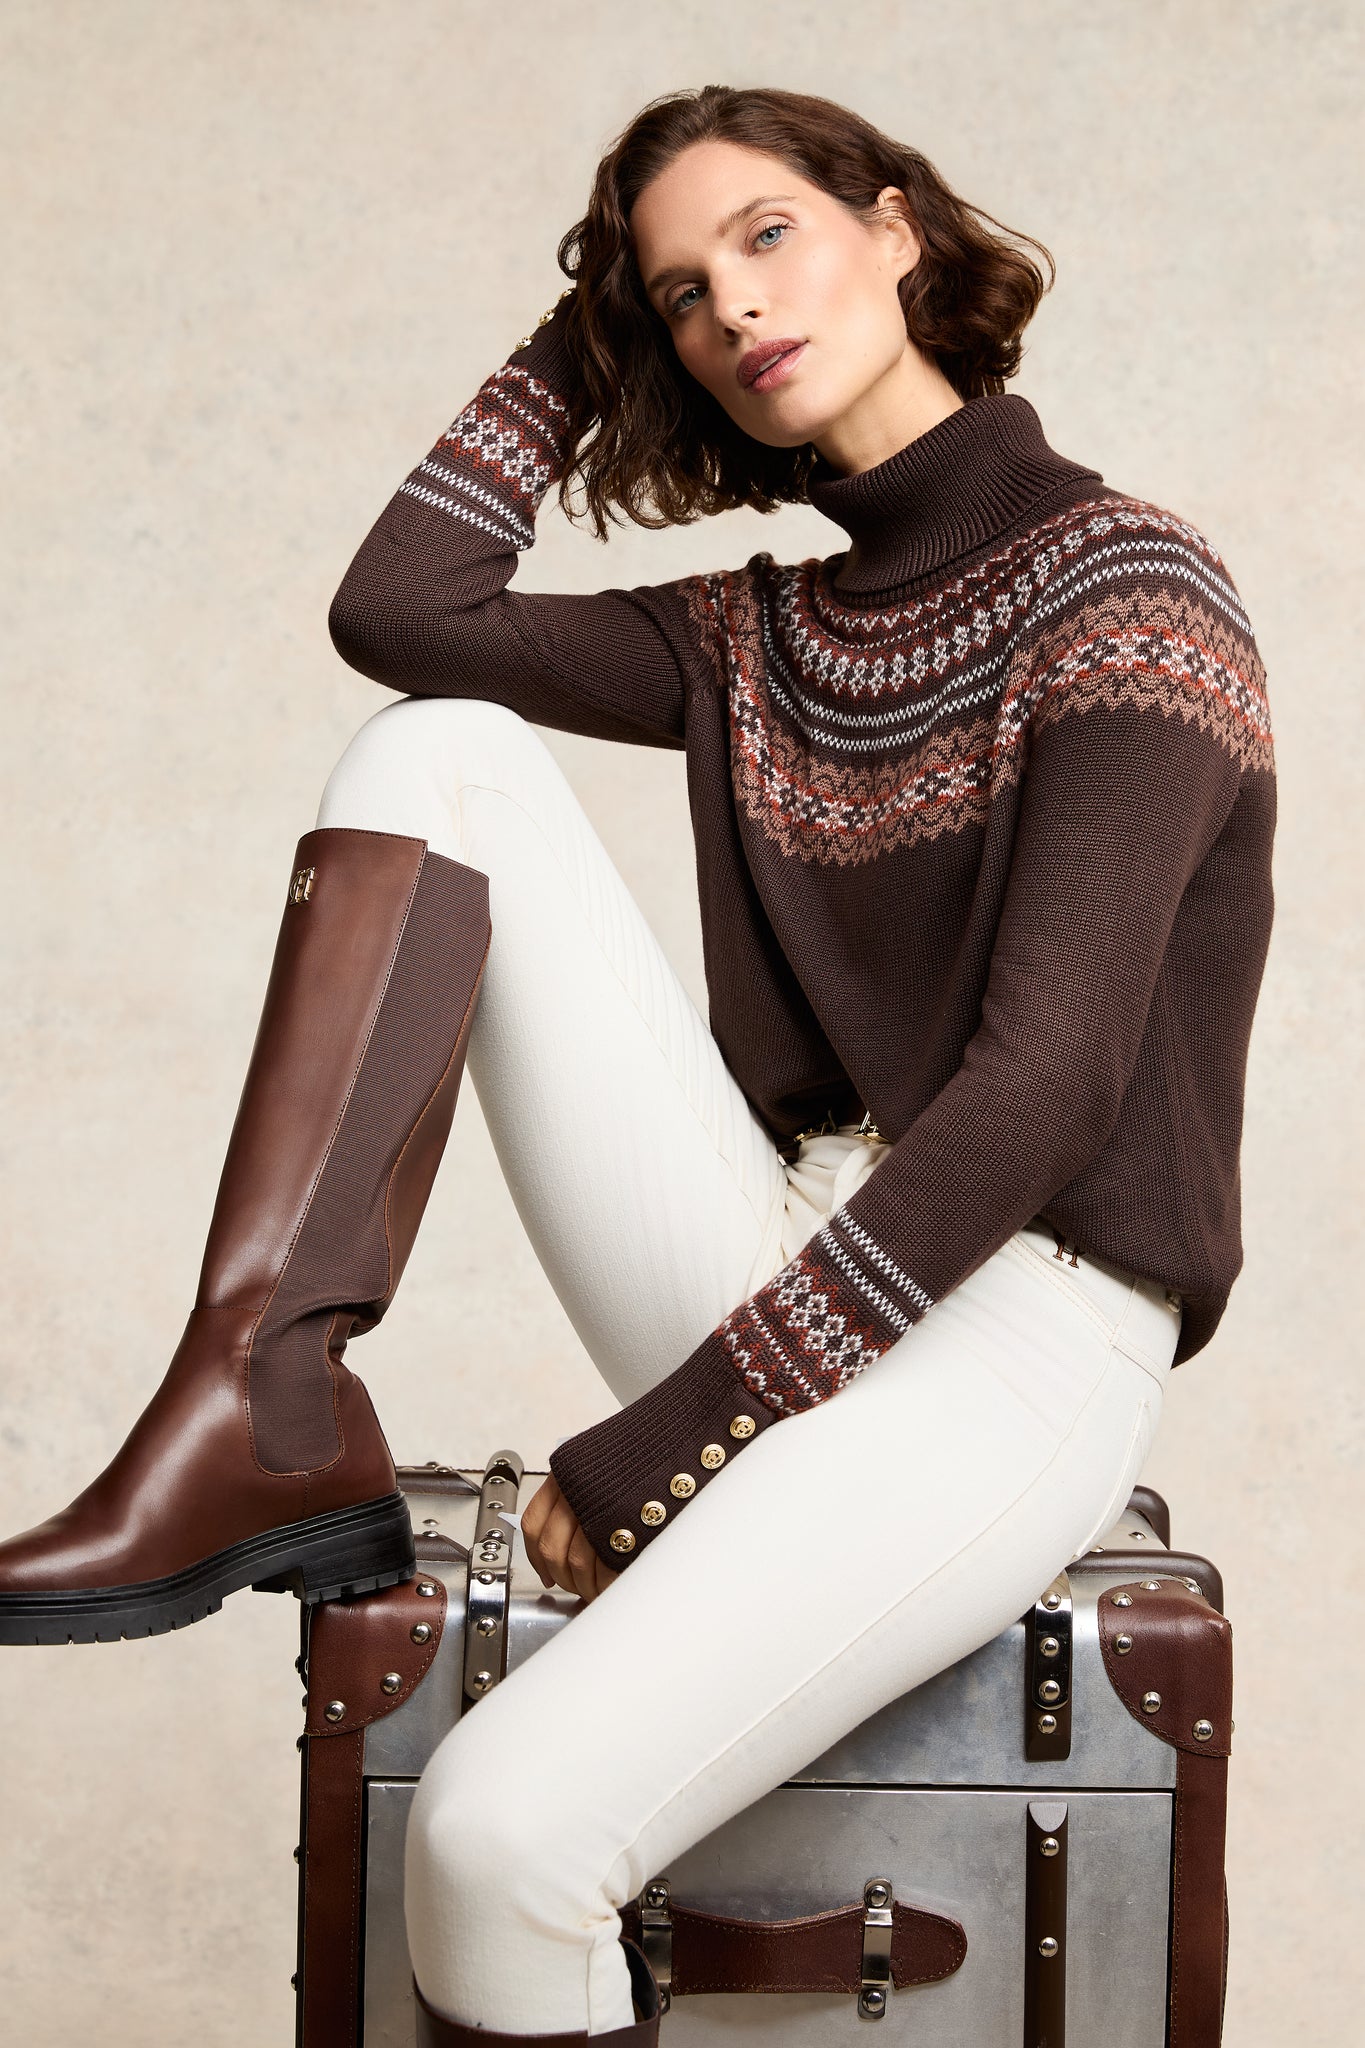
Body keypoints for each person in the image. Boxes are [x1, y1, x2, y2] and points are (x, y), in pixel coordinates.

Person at [0, 82, 1274, 2044]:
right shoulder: (760, 635)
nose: (731, 306)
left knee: (499, 1839)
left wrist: (669, 1437)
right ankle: (260, 1409)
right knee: (441, 755)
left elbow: (1042, 1094)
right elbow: (399, 612)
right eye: (679, 292)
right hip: (786, 1247)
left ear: (893, 230)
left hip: (1018, 1330)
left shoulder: (1126, 593)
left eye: (767, 235)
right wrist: (587, 332)